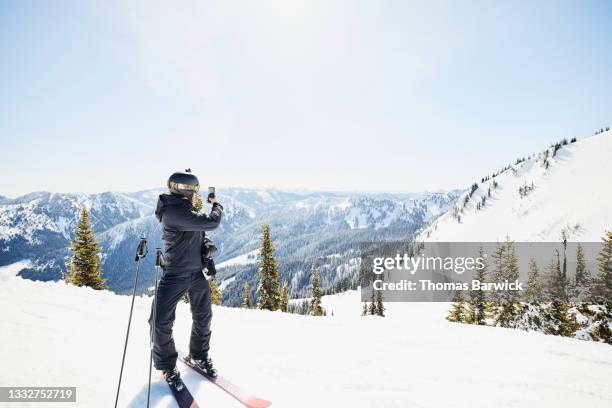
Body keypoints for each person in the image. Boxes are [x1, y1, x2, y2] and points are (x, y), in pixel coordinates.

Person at [151, 170, 223, 390]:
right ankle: (167, 366)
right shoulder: (173, 211)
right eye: (195, 190)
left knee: (204, 316)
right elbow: (210, 222)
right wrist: (216, 205)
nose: (196, 194)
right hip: (175, 274)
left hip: (195, 273)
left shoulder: (183, 208)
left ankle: (198, 355)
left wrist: (206, 244)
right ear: (186, 190)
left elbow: (197, 231)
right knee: (161, 321)